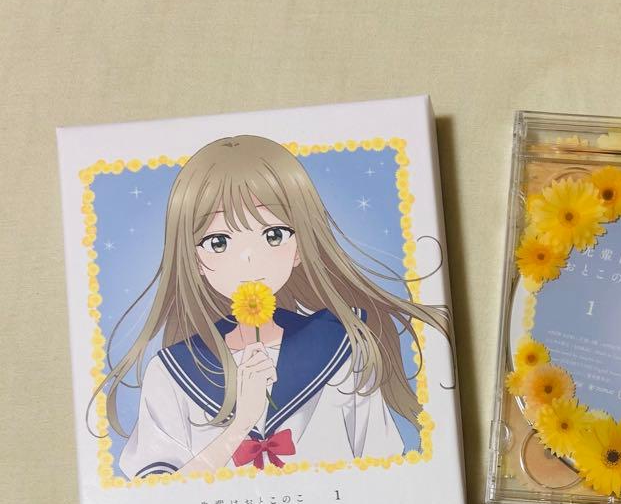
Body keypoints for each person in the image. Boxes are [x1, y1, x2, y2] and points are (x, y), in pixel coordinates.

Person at [94, 134, 448, 479]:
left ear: (301, 245)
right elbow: (156, 500)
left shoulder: (344, 345)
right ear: (193, 257)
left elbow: (382, 469)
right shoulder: (172, 371)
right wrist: (241, 423)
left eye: (273, 235)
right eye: (218, 242)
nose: (249, 259)